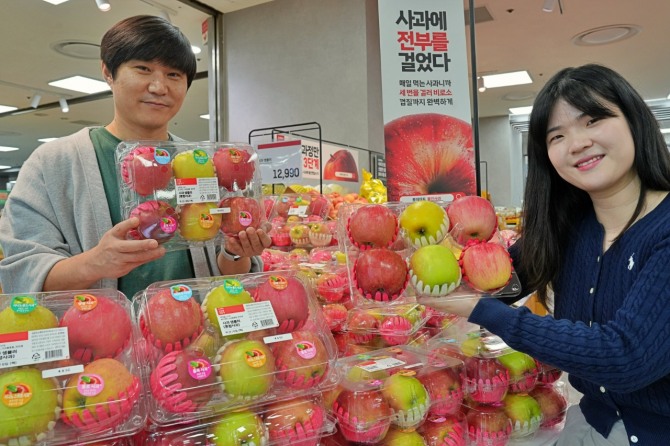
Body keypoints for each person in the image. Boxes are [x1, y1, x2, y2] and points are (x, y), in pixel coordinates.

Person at [437, 64, 670, 445]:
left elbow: (626, 358)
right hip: (594, 421)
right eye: (557, 135)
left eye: (593, 120)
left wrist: (479, 309)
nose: (576, 144)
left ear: (634, 120)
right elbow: (501, 284)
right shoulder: (569, 227)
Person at [0, 15, 271, 299]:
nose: (158, 87)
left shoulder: (202, 164)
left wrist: (236, 252)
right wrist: (95, 263)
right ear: (108, 71)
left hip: (194, 336)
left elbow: (229, 275)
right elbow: (21, 273)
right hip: (99, 338)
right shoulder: (53, 162)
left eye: (174, 75)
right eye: (143, 69)